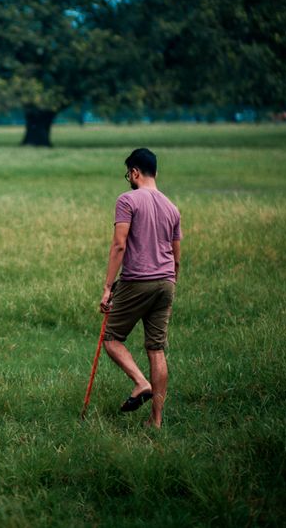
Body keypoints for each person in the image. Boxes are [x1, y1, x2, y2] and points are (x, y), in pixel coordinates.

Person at [99, 148, 181, 429]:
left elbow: (119, 245)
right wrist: (170, 285)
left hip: (137, 281)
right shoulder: (172, 207)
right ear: (155, 172)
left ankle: (140, 382)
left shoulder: (127, 200)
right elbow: (176, 256)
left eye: (129, 175)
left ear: (134, 172)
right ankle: (155, 421)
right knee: (156, 350)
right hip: (167, 283)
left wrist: (108, 287)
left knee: (111, 339)